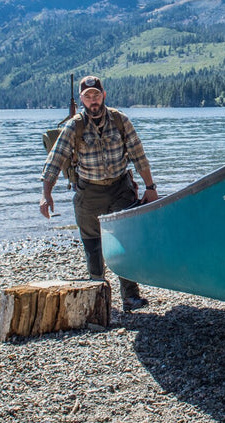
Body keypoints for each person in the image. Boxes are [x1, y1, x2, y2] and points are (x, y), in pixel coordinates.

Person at [40, 75, 160, 312]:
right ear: (82, 100)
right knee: (92, 245)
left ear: (104, 95)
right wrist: (46, 194)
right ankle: (97, 297)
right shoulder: (74, 126)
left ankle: (130, 297)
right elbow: (55, 160)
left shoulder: (120, 120)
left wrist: (150, 187)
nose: (93, 100)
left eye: (96, 95)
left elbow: (138, 155)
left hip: (120, 188)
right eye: (88, 97)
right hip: (88, 192)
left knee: (125, 240)